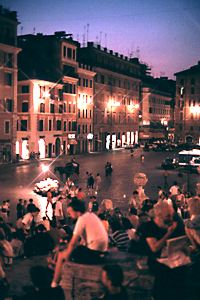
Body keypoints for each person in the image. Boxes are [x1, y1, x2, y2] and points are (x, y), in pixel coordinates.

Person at [51, 200, 108, 287]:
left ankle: (54, 284)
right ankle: (57, 272)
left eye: (70, 212)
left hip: (94, 253)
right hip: (100, 251)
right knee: (65, 250)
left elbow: (73, 243)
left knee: (61, 255)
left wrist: (65, 254)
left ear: (77, 211)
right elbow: (82, 242)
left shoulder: (82, 219)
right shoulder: (91, 215)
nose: (69, 215)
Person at [138, 201, 186, 300]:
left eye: (171, 215)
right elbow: (154, 248)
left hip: (170, 257)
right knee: (164, 273)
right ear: (159, 215)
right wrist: (169, 233)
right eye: (168, 216)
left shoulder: (172, 224)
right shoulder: (148, 227)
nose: (171, 219)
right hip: (154, 259)